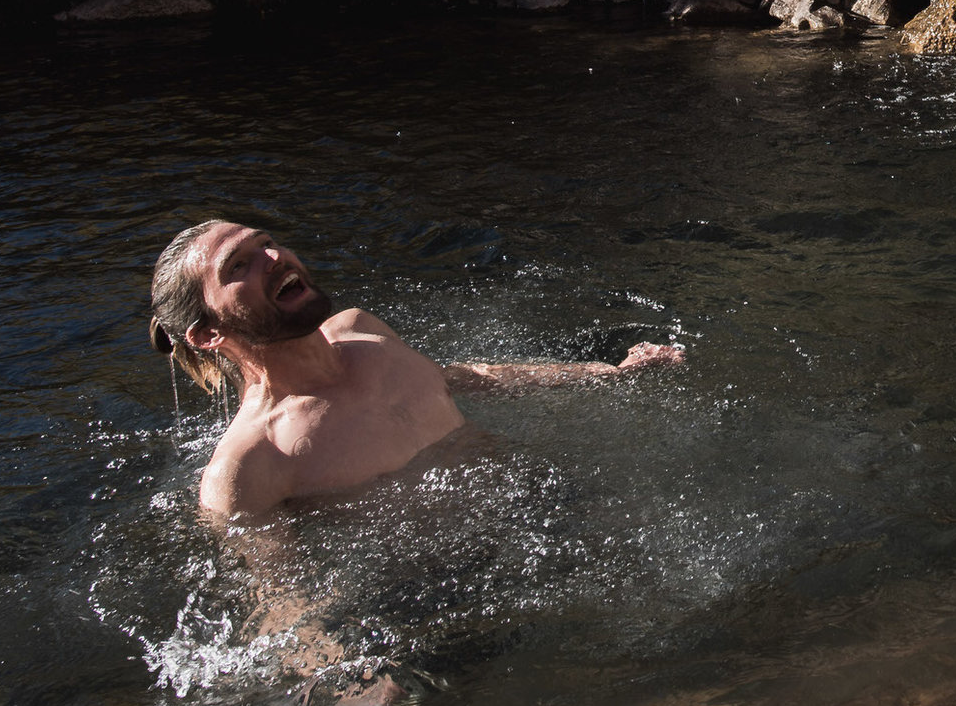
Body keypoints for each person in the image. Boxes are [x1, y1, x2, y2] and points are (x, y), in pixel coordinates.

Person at [147, 219, 683, 518]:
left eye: (267, 244)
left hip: (552, 502)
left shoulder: (363, 331)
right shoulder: (249, 464)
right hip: (454, 590)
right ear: (206, 334)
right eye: (239, 266)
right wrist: (336, 679)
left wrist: (606, 374)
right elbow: (278, 596)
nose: (275, 258)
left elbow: (465, 377)